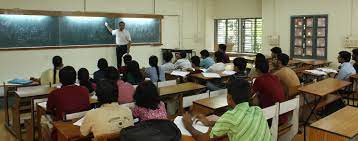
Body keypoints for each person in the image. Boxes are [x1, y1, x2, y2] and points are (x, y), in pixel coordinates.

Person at [182, 79, 272, 141]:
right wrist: (209, 123)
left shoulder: (231, 116)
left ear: (229, 97)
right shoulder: (257, 110)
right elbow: (231, 123)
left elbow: (204, 138)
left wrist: (188, 125)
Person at [251, 58, 287, 125]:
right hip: (282, 113)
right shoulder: (274, 77)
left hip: (272, 116)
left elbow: (250, 94)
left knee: (253, 101)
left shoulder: (259, 80)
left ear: (257, 70)